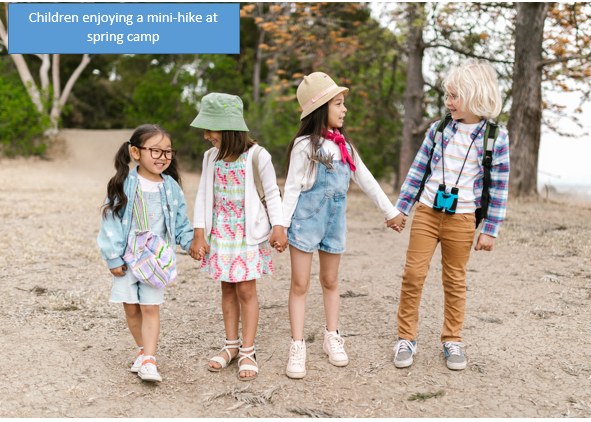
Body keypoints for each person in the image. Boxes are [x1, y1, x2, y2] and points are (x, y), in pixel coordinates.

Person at [282, 72, 406, 379]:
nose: (344, 109)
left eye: (343, 103)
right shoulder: (305, 146)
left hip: (334, 224)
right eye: (338, 103)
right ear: (321, 108)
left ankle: (331, 336)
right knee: (300, 284)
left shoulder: (345, 146)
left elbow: (365, 178)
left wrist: (390, 211)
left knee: (331, 280)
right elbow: (292, 188)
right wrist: (280, 225)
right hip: (305, 223)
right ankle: (297, 345)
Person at [393, 59, 510, 371]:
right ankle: (406, 337)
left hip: (462, 218)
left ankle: (452, 339)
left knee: (455, 279)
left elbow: (499, 187)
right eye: (447, 95)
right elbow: (418, 170)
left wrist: (490, 229)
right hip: (428, 212)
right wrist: (402, 208)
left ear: (475, 96)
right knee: (413, 274)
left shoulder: (496, 138)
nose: (448, 102)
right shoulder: (439, 129)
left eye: (455, 96)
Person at [189, 92, 287, 381]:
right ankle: (230, 345)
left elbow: (271, 192)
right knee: (227, 289)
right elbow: (203, 195)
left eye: (211, 128)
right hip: (221, 233)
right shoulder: (211, 158)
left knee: (246, 290)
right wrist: (199, 233)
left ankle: (248, 349)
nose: (206, 135)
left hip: (247, 234)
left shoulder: (258, 155)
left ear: (229, 128)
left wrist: (278, 226)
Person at [97, 124, 197, 383]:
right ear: (135, 152)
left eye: (168, 152)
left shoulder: (171, 187)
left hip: (156, 261)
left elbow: (181, 222)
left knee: (150, 308)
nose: (162, 157)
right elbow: (110, 223)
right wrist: (113, 257)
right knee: (131, 309)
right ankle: (143, 350)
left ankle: (150, 359)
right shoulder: (122, 183)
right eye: (155, 150)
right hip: (128, 259)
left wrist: (191, 244)